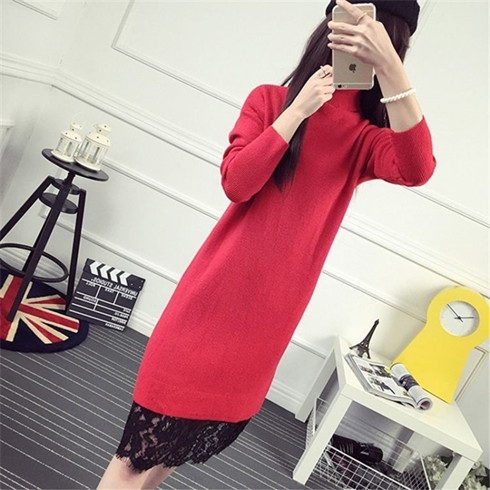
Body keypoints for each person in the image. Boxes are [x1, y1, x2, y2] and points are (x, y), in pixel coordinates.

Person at [98, 0, 435, 488]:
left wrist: (390, 71)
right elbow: (237, 183)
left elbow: (417, 168)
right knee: (134, 459)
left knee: (169, 457)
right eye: (354, 30)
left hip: (264, 326)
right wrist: (296, 112)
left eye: (380, 40)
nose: (361, 45)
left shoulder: (366, 139)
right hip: (208, 304)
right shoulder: (270, 100)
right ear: (331, 31)